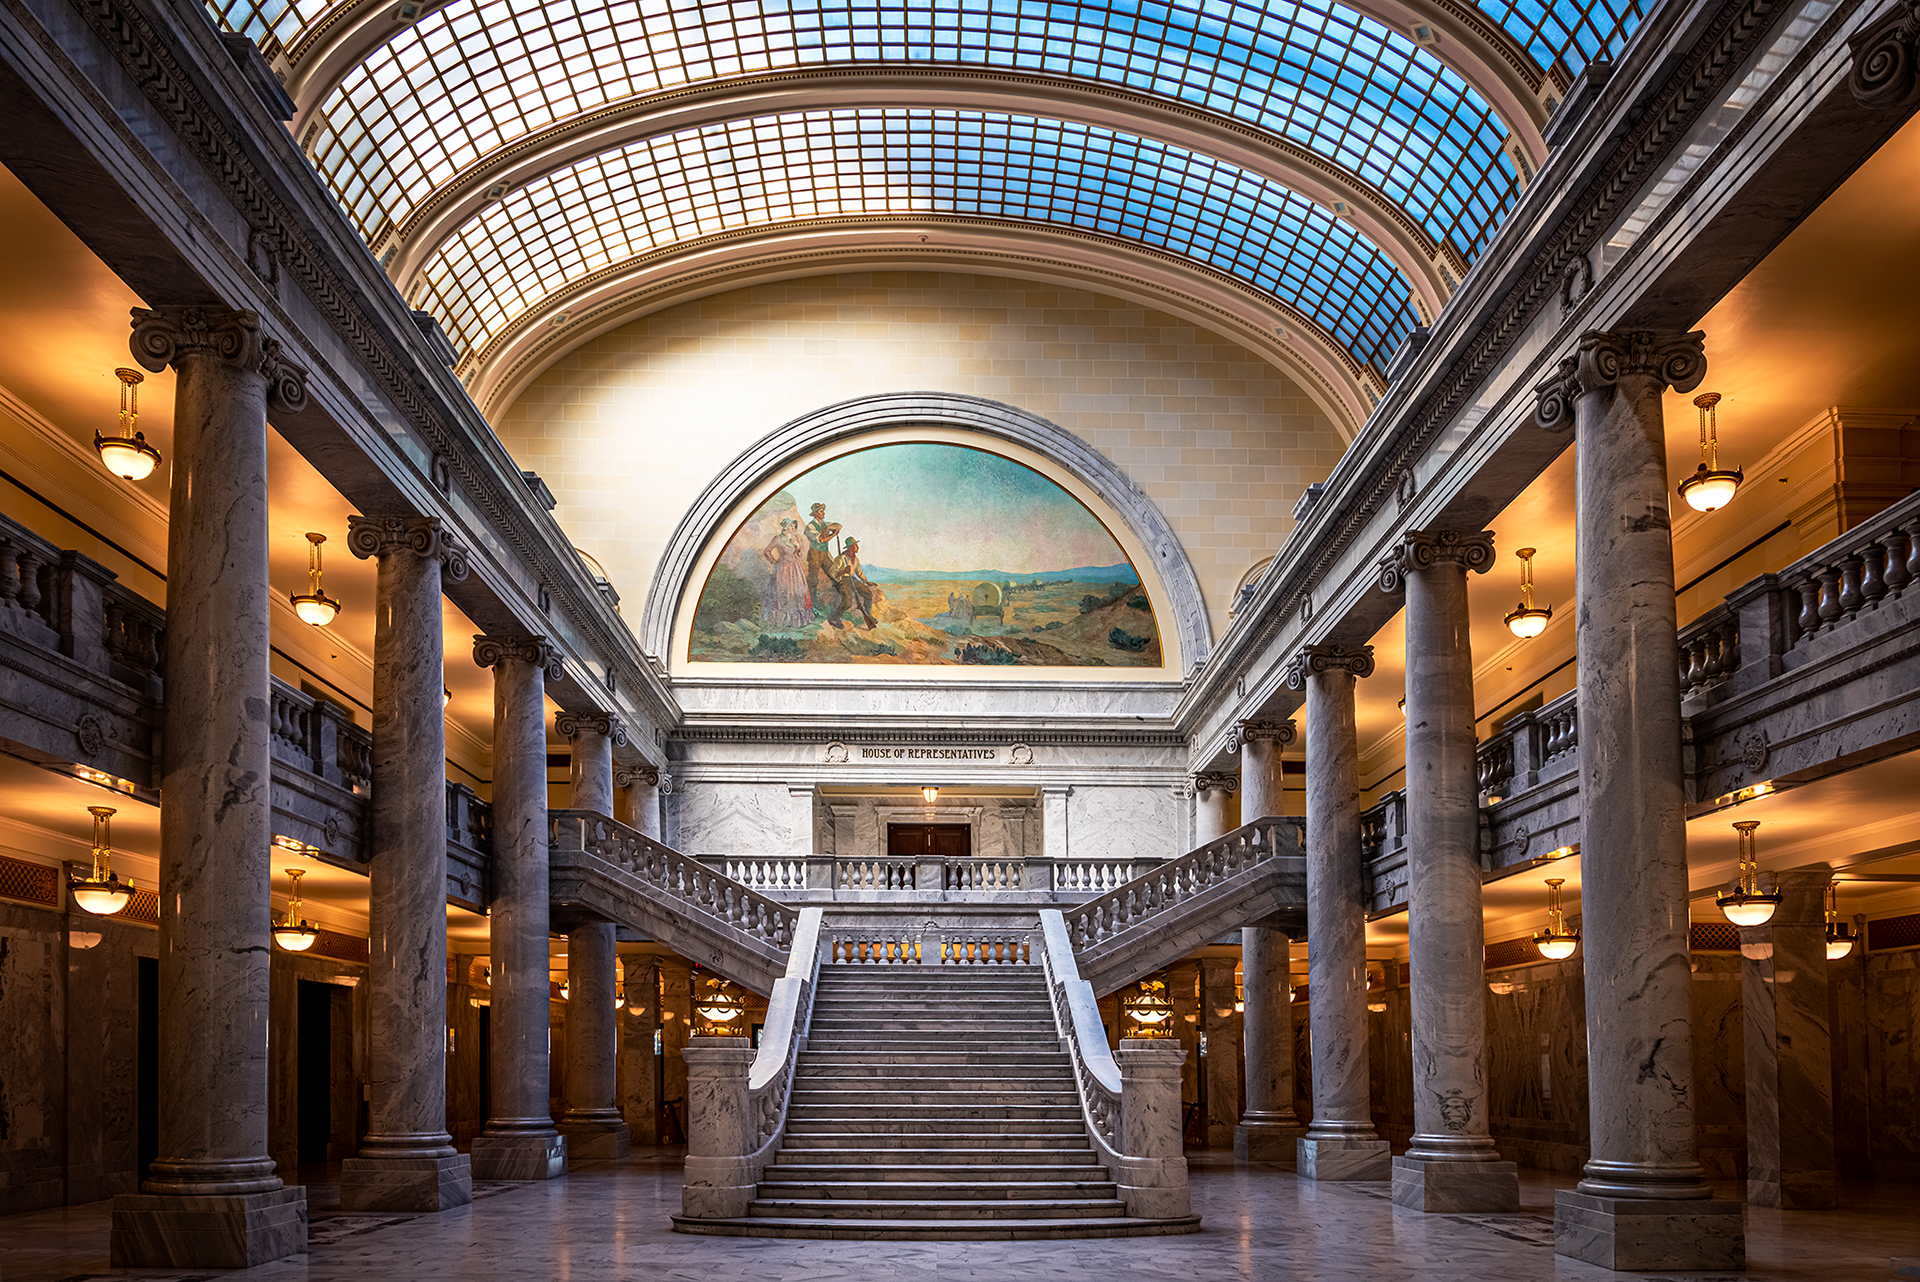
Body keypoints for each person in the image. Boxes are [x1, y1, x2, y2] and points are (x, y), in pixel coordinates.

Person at [759, 516, 811, 629]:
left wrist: (798, 548)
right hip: (783, 569)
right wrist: (774, 561)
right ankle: (781, 622)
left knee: (796, 592)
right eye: (791, 525)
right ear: (785, 526)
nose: (793, 527)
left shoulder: (795, 538)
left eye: (794, 526)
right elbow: (767, 551)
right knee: (783, 591)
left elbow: (799, 555)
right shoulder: (778, 538)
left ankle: (795, 622)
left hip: (795, 569)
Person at [826, 535, 878, 630]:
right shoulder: (841, 558)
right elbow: (832, 572)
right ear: (850, 547)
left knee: (868, 594)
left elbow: (859, 573)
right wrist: (843, 571)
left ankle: (868, 615)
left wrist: (867, 582)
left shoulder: (855, 559)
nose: (857, 548)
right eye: (855, 546)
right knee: (847, 602)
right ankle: (834, 617)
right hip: (842, 580)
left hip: (852, 580)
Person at [804, 503, 841, 613]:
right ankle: (813, 606)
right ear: (815, 513)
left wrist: (829, 527)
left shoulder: (825, 524)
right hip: (815, 555)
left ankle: (839, 602)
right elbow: (821, 539)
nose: (823, 513)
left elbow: (839, 526)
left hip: (824, 555)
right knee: (813, 581)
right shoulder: (810, 526)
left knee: (833, 574)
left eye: (823, 511)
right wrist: (833, 534)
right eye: (820, 511)